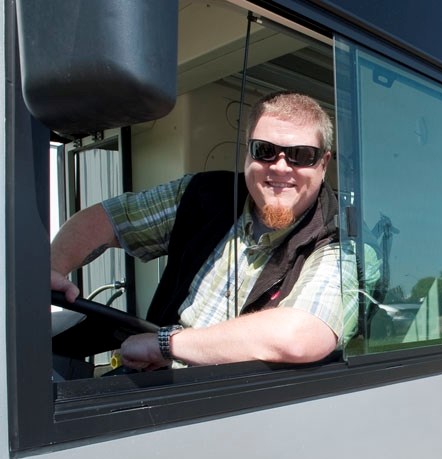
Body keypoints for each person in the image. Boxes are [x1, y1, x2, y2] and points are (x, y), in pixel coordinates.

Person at [51, 91, 359, 371]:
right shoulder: (201, 195)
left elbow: (302, 335)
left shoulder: (337, 239)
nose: (280, 167)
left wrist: (167, 346)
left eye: (301, 155)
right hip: (151, 387)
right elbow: (108, 219)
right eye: (265, 150)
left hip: (229, 412)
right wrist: (52, 267)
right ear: (248, 154)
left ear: (323, 164)